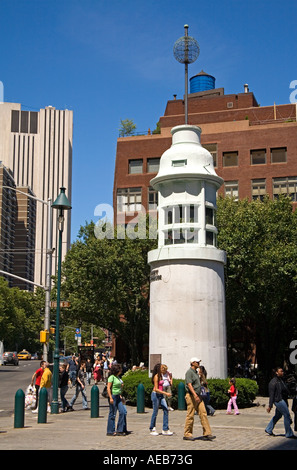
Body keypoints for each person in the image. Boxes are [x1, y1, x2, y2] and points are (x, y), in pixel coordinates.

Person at [183, 357, 216, 441]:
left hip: (198, 396)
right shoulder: (189, 372)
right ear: (193, 363)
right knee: (190, 415)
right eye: (197, 362)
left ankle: (207, 433)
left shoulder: (196, 373)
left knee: (203, 413)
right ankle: (187, 434)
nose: (199, 364)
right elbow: (189, 385)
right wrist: (195, 395)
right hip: (191, 396)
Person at [265, 367, 296, 438]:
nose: (282, 372)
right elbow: (271, 395)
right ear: (276, 372)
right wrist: (270, 406)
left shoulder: (281, 380)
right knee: (286, 415)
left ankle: (268, 429)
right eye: (281, 371)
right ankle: (289, 433)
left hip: (283, 400)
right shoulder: (273, 382)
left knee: (278, 415)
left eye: (282, 371)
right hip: (278, 400)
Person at [149, 363, 173, 436]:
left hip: (161, 395)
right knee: (155, 412)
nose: (163, 369)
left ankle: (165, 428)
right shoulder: (156, 376)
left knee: (165, 409)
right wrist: (166, 393)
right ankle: (152, 427)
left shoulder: (161, 376)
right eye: (162, 368)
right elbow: (156, 389)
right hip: (155, 395)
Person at [106, 363, 128, 436]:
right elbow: (108, 388)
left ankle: (120, 429)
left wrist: (121, 396)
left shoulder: (117, 377)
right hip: (113, 396)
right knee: (112, 413)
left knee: (122, 412)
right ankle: (110, 430)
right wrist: (110, 397)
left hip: (118, 396)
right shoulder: (111, 377)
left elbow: (119, 388)